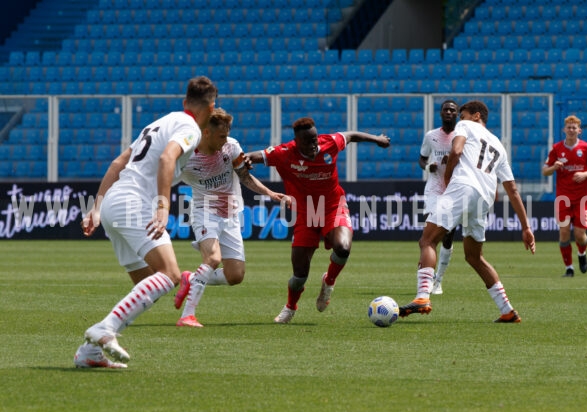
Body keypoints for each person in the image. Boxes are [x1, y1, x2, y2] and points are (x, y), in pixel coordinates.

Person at [73, 76, 218, 368]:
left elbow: (117, 163)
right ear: (211, 107)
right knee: (170, 274)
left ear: (184, 102)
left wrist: (97, 208)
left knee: (149, 281)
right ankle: (103, 330)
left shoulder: (158, 123)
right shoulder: (190, 128)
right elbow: (167, 159)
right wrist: (163, 206)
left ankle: (89, 353)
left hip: (114, 202)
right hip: (135, 203)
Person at [399, 100, 535, 323]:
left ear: (475, 115)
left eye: (462, 115)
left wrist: (447, 176)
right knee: (474, 256)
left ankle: (423, 296)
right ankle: (507, 310)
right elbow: (512, 190)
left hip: (462, 187)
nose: (459, 119)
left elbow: (457, 149)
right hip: (484, 199)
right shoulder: (499, 145)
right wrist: (526, 227)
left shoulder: (465, 126)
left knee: (427, 241)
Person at [246, 117, 390, 324]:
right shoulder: (284, 153)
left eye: (315, 139)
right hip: (305, 213)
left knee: (343, 247)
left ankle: (328, 282)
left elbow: (350, 136)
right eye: (308, 141)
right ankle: (290, 307)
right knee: (299, 276)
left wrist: (376, 139)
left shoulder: (328, 143)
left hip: (333, 206)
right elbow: (255, 156)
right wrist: (248, 160)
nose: (314, 144)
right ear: (297, 141)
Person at [173, 108, 290, 327]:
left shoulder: (231, 147)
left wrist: (270, 193)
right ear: (206, 133)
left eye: (227, 134)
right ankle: (187, 315)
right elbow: (162, 176)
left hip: (231, 215)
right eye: (221, 135)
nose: (226, 139)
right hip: (204, 211)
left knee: (235, 276)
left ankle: (192, 278)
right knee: (213, 258)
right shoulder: (186, 157)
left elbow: (244, 177)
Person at [542, 115, 587, 277]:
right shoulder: (556, 149)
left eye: (574, 127)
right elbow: (545, 171)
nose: (571, 130)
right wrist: (554, 167)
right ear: (564, 130)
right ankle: (569, 268)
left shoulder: (586, 148)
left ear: (579, 130)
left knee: (579, 234)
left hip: (582, 197)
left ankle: (582, 254)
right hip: (563, 197)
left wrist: (586, 174)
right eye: (568, 127)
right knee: (563, 232)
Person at [418, 99, 458, 295]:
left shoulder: (461, 136)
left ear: (457, 114)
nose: (449, 112)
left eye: (452, 109)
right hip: (434, 189)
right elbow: (422, 158)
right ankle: (427, 273)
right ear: (441, 113)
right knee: (430, 232)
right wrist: (428, 167)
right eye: (445, 109)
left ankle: (438, 279)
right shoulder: (431, 136)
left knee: (448, 235)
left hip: (454, 190)